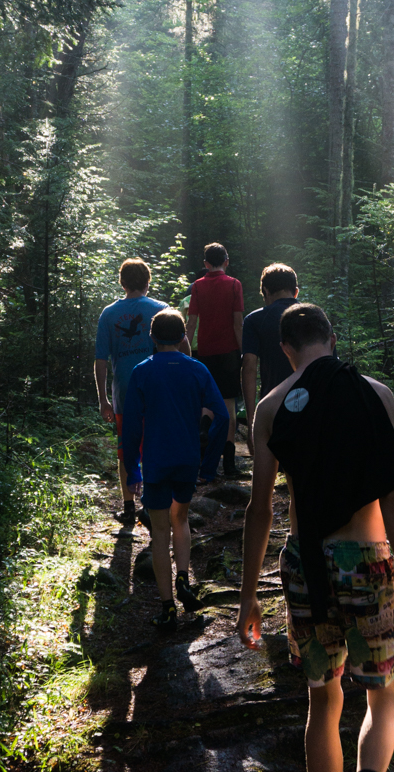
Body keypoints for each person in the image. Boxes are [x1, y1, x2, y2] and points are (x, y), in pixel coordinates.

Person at [235, 302, 394, 772]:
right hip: (369, 564)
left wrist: (248, 597)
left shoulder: (270, 409)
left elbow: (259, 509)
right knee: (381, 698)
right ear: (332, 336)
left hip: (307, 569)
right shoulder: (377, 395)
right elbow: (392, 495)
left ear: (285, 349)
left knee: (322, 704)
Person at [121, 309, 229, 630]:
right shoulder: (197, 369)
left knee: (159, 532)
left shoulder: (142, 372)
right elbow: (222, 416)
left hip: (155, 463)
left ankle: (167, 608)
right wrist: (208, 463)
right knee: (180, 518)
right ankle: (184, 578)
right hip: (187, 461)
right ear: (185, 337)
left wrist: (132, 470)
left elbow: (130, 430)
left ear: (152, 338)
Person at [94, 258, 165, 528]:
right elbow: (181, 347)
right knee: (154, 446)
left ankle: (128, 507)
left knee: (127, 450)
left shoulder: (108, 314)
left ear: (122, 282)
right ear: (148, 281)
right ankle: (151, 503)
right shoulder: (160, 309)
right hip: (157, 391)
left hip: (124, 393)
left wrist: (103, 399)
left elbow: (100, 360)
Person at [185, 242, 244, 478]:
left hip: (205, 353)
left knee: (207, 403)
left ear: (206, 264)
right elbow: (237, 322)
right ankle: (229, 465)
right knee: (228, 406)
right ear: (226, 262)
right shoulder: (234, 285)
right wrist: (242, 352)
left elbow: (191, 324)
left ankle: (203, 450)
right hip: (229, 352)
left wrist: (186, 354)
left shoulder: (197, 287)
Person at [241, 263, 300, 453]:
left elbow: (249, 367)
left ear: (265, 291)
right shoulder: (316, 316)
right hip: (313, 405)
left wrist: (252, 421)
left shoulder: (254, 320)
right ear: (295, 291)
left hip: (272, 407)